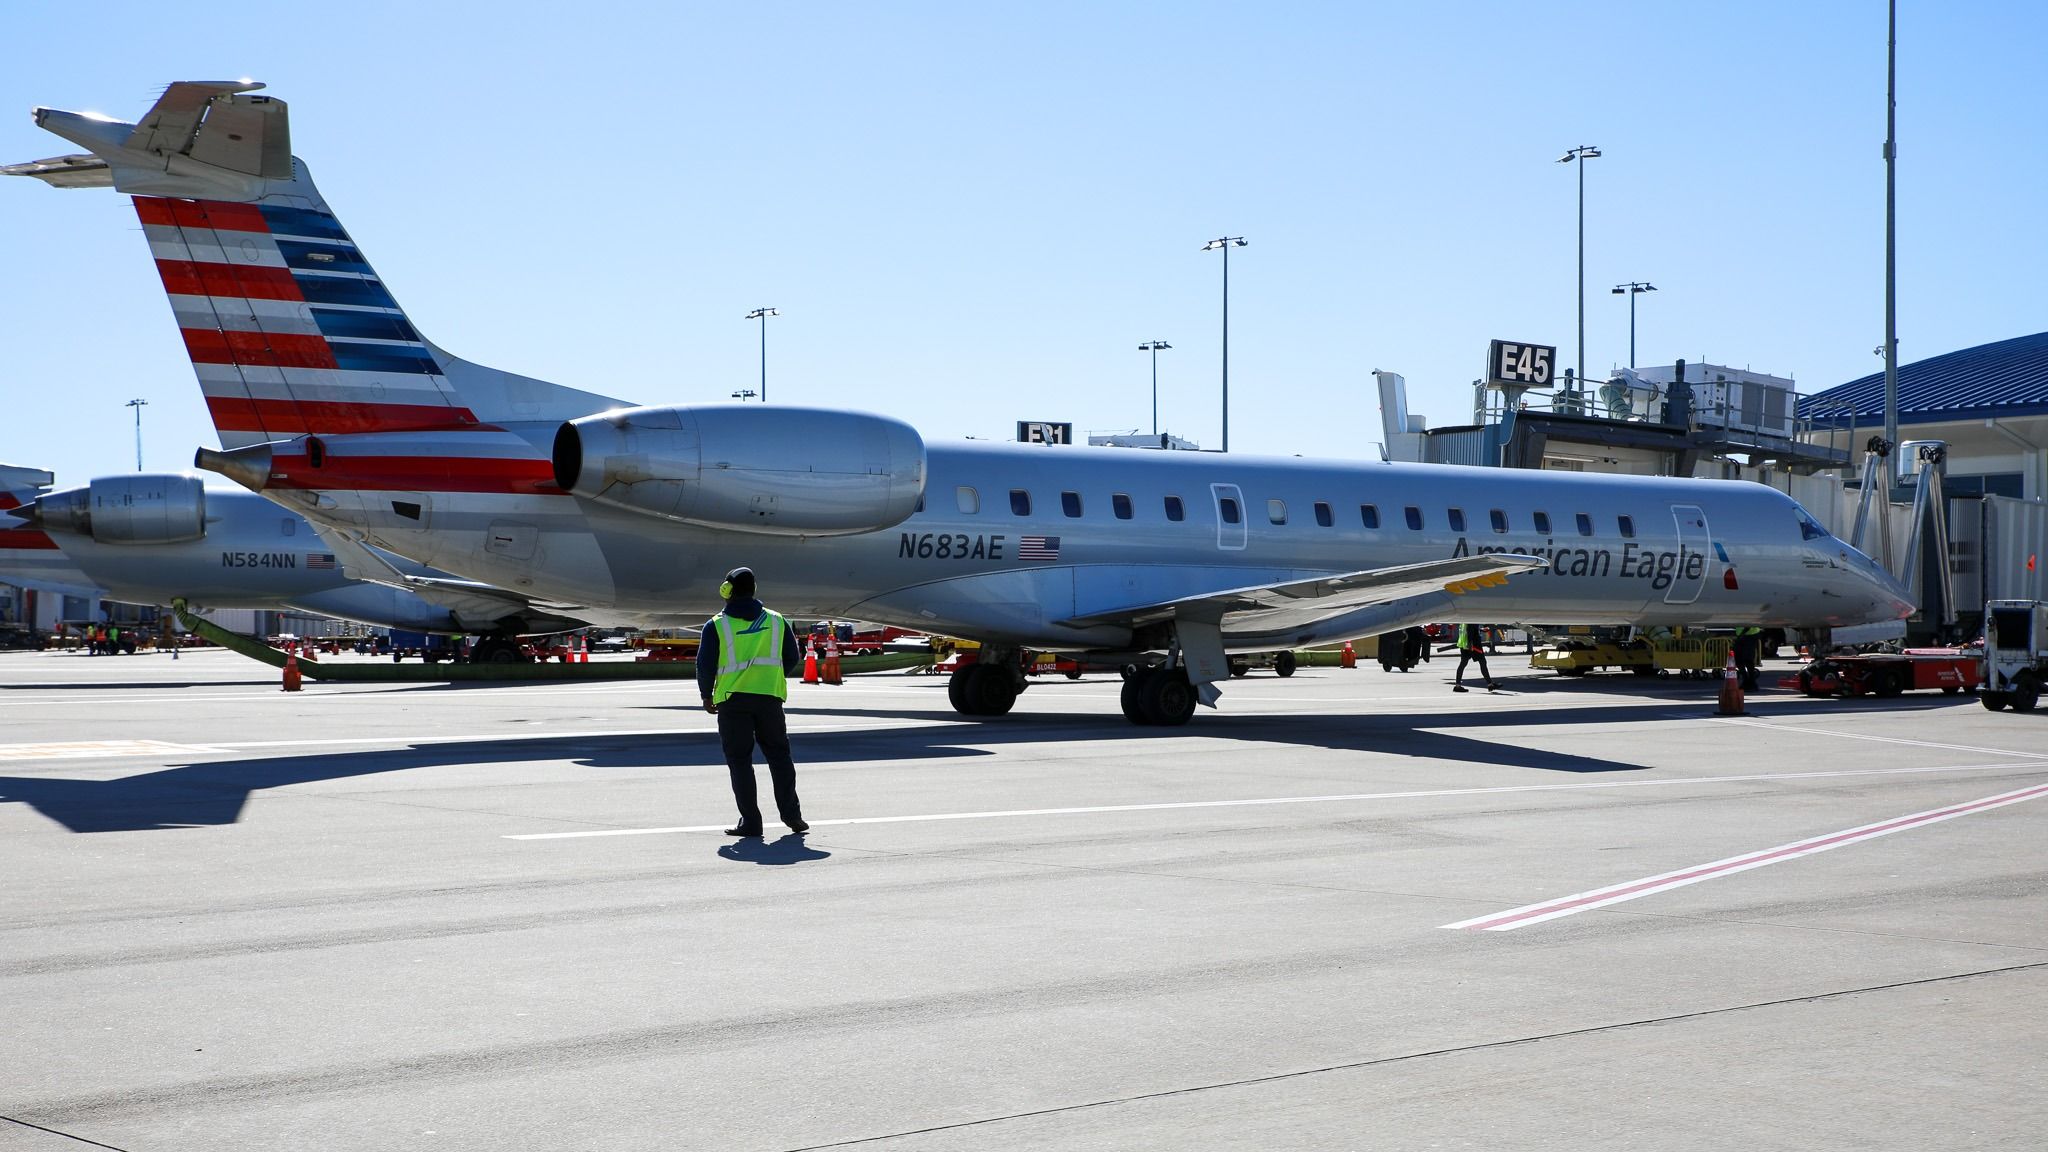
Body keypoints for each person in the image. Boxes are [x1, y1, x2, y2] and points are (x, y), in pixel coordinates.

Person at [698, 567, 807, 837]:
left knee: (740, 761)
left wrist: (706, 694)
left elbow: (705, 665)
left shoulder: (717, 625)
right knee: (779, 757)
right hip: (769, 698)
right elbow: (792, 656)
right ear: (754, 589)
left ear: (726, 590)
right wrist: (771, 678)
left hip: (732, 701)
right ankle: (792, 815)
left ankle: (751, 822)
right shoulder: (777, 620)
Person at [1453, 623, 1498, 693]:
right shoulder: (1472, 618)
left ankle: (1457, 686)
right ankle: (1490, 684)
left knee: (1463, 664)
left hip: (1465, 643)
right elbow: (1470, 629)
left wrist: (1480, 630)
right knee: (1482, 662)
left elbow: (1469, 629)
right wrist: (1470, 645)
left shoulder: (1464, 619)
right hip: (1473, 644)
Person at [1732, 625, 1762, 691]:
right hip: (1741, 635)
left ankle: (1752, 682)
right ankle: (1746, 680)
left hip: (1751, 634)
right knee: (1738, 659)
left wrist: (1741, 635)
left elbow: (1749, 623)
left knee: (1748, 659)